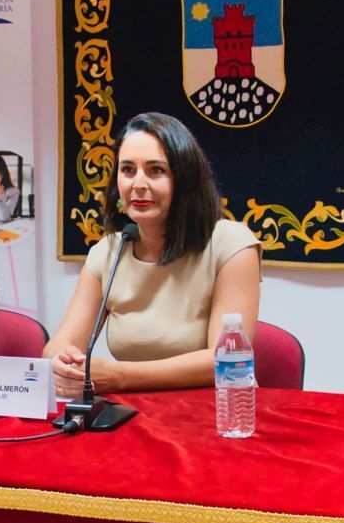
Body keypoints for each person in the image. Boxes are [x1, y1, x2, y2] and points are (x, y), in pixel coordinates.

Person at [44, 112, 260, 397]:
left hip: (215, 412)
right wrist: (62, 363)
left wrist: (118, 376)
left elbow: (223, 359)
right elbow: (56, 346)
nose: (138, 183)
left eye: (156, 170)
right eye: (128, 170)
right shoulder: (108, 251)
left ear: (185, 180)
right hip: (133, 414)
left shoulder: (231, 243)